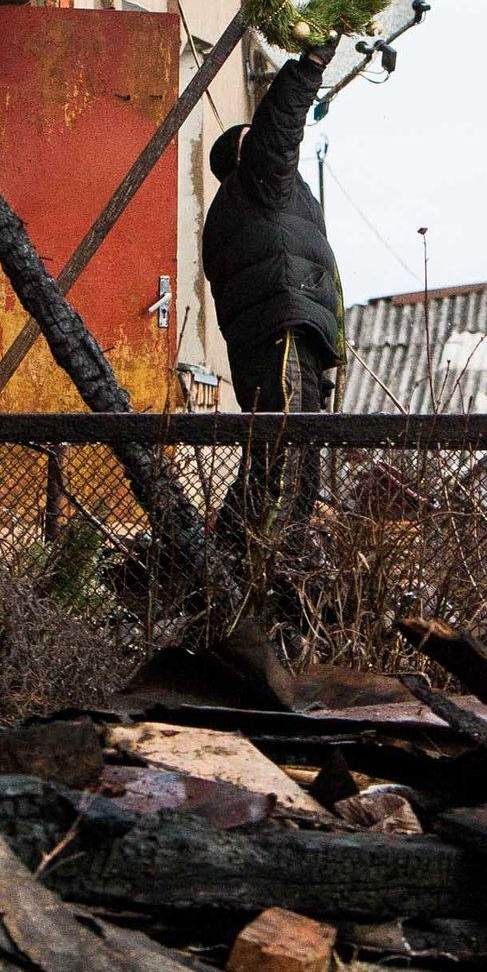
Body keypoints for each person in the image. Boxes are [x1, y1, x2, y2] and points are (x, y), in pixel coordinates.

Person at [201, 39, 341, 594]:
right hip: (280, 327)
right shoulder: (253, 183)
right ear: (243, 157)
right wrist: (308, 67)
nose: (265, 145)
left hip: (295, 327)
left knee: (290, 458)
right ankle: (260, 571)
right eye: (252, 143)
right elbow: (280, 126)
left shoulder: (271, 199)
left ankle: (243, 554)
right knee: (285, 450)